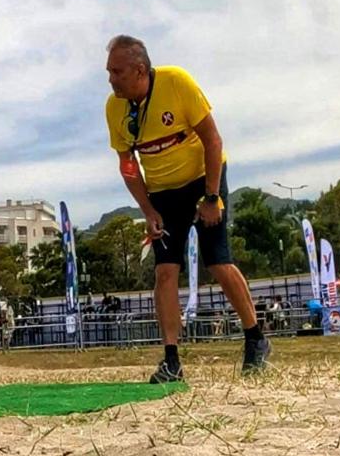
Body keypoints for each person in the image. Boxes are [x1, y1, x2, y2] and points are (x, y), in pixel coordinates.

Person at [105, 35, 269, 383]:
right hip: (163, 192)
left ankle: (256, 338)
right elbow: (128, 166)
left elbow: (213, 139)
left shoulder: (177, 82)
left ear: (139, 70)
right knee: (165, 272)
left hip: (201, 178)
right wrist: (148, 210)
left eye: (117, 72)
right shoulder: (114, 108)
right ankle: (171, 360)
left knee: (218, 262)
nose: (110, 79)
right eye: (108, 72)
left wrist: (211, 198)